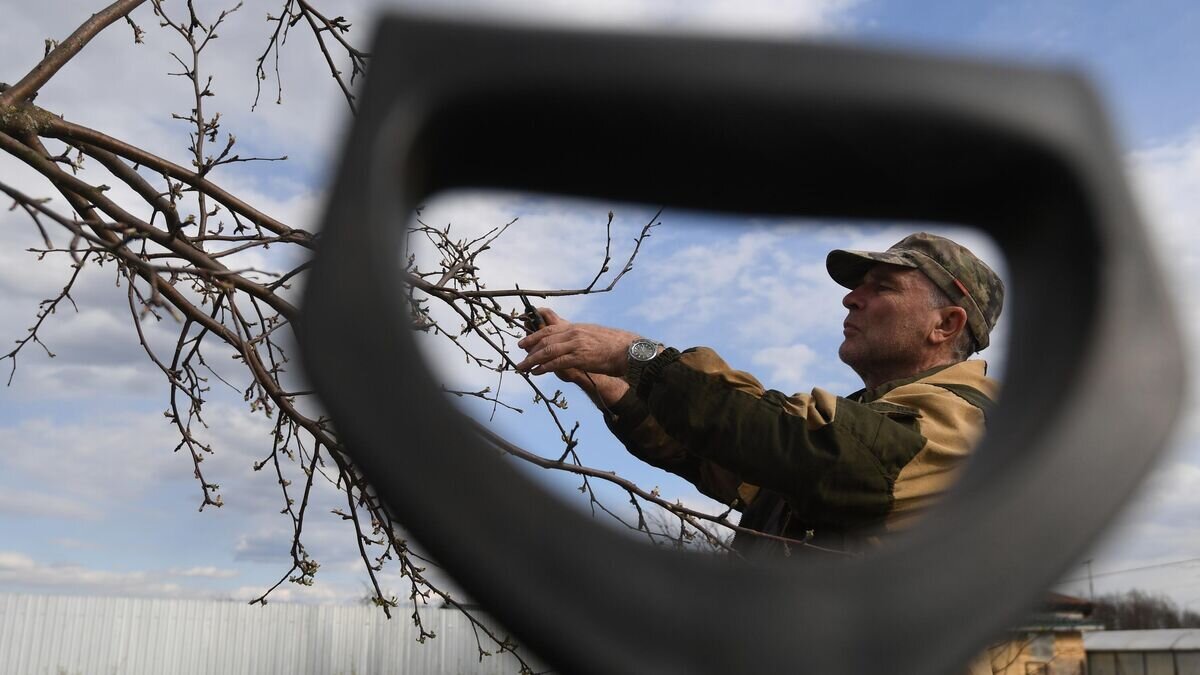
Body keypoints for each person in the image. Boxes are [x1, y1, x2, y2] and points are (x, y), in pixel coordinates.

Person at [515, 232, 1004, 555]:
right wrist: (615, 389)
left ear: (946, 324)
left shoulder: (965, 423)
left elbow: (801, 444)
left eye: (883, 287)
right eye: (859, 286)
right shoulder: (869, 422)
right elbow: (724, 459)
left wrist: (636, 354)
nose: (851, 296)